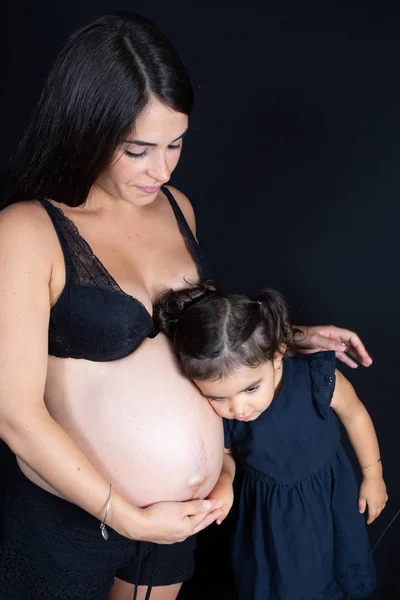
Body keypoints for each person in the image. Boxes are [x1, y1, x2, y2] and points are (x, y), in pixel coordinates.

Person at [0, 10, 373, 600]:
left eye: (175, 144)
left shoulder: (177, 207)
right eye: (139, 150)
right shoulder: (27, 231)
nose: (162, 168)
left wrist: (286, 337)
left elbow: (191, 329)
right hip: (74, 516)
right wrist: (122, 514)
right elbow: (13, 415)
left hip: (180, 520)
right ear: (86, 129)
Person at [155, 284, 387, 600]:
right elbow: (227, 453)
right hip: (271, 516)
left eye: (250, 389)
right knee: (286, 582)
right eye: (218, 397)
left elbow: (356, 416)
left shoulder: (316, 377)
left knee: (338, 560)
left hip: (328, 495)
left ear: (277, 354)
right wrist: (223, 481)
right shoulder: (218, 413)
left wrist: (373, 476)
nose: (238, 409)